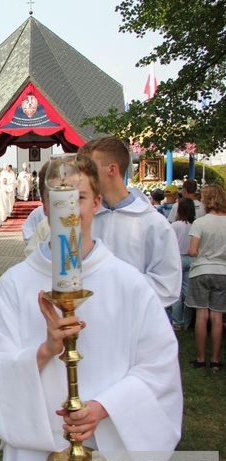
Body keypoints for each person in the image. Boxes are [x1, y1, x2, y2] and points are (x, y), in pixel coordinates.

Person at [0, 155, 183, 461]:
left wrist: (105, 407)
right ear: (43, 204)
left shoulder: (129, 284)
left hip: (108, 450)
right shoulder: (14, 284)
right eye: (58, 198)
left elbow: (158, 367)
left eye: (80, 198)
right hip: (34, 456)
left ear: (97, 203)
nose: (68, 210)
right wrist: (44, 352)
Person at [79, 136, 181, 307]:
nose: (82, 177)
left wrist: (111, 283)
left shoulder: (153, 223)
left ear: (111, 170)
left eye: (89, 169)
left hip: (135, 323)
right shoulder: (85, 219)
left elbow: (167, 286)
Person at [185, 185, 226, 372]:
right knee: (217, 316)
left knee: (202, 316)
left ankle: (201, 359)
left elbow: (192, 251)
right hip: (222, 271)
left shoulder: (200, 223)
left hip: (201, 270)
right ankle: (216, 360)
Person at [170, 198, 196, 332]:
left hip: (177, 258)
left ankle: (177, 322)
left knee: (177, 293)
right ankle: (187, 322)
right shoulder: (195, 225)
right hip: (191, 258)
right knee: (188, 293)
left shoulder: (175, 226)